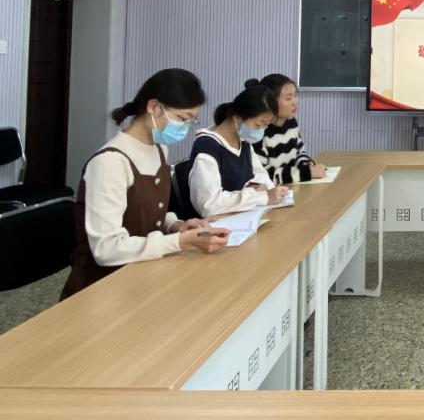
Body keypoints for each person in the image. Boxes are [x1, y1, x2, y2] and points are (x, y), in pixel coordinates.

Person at [61, 69, 229, 300]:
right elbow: (106, 249)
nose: (186, 128)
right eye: (183, 119)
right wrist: (179, 242)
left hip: (143, 272)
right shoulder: (110, 162)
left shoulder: (158, 149)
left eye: (191, 121)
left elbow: (146, 210)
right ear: (154, 107)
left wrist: (176, 225)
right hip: (102, 287)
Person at [187, 83, 289, 218]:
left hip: (243, 216)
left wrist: (256, 189)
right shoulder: (207, 147)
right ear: (237, 118)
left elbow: (263, 179)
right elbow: (208, 205)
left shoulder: (244, 143)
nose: (262, 130)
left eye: (266, 125)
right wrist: (257, 196)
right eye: (258, 124)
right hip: (216, 223)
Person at [248, 74, 327, 184]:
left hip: (292, 186)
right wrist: (306, 173)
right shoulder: (258, 131)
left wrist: (306, 163)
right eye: (288, 98)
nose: (295, 102)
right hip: (272, 191)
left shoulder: (291, 122)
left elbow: (299, 151)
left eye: (295, 96)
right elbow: (263, 175)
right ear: (270, 102)